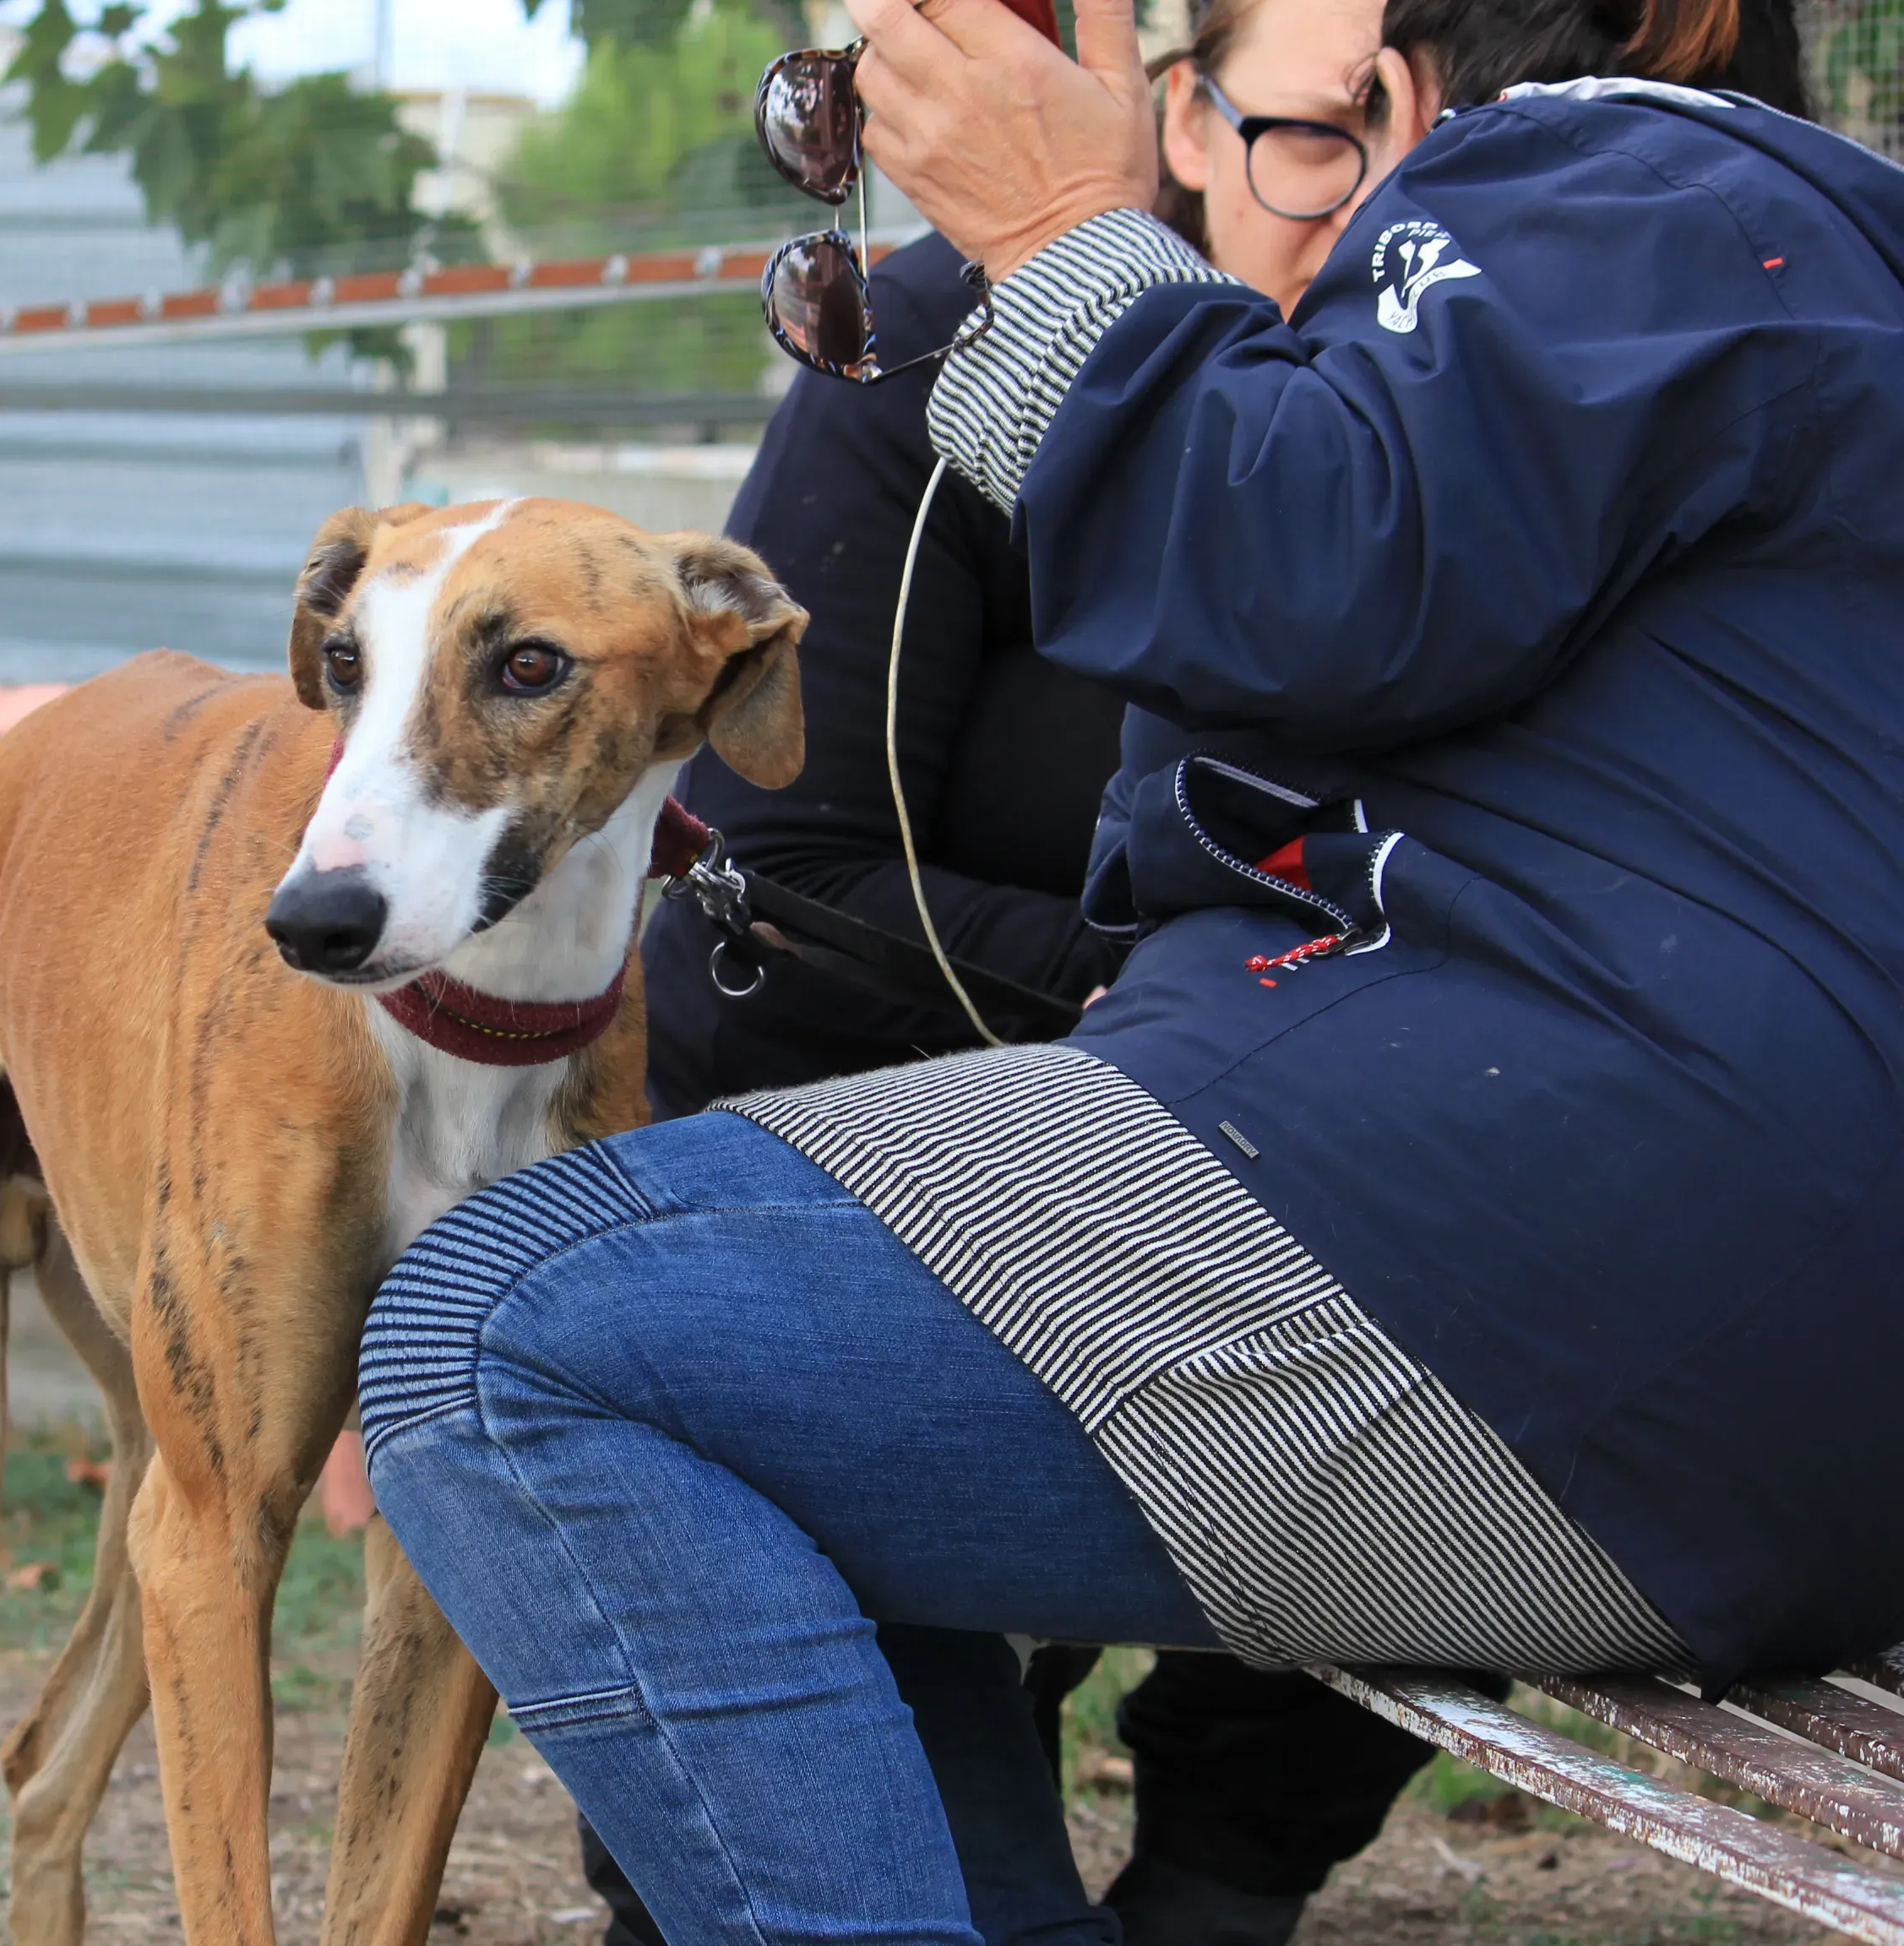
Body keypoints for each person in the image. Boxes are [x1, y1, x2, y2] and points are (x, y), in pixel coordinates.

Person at [354, 0, 1904, 1938]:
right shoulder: (1776, 282)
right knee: (736, 1363)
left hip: (1605, 1261)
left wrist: (1075, 239)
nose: (1203, 134)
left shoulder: (1621, 175)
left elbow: (1308, 572)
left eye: (1276, 109)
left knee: (502, 1337)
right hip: (1701, 1306)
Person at [580, 8, 1505, 1943]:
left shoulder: (1485, 387)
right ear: (1172, 112)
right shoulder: (916, 339)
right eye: (1282, 126)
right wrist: (1164, 984)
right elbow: (782, 854)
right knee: (682, 1388)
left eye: (1374, 124)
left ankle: (1218, 1876)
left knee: (1486, 1229)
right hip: (890, 1077)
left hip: (1310, 1145)